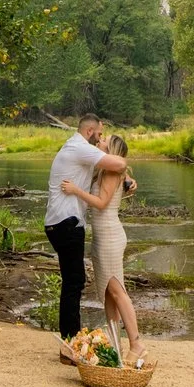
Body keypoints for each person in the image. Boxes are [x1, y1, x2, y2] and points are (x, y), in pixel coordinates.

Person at [43, 115, 129, 360]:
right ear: (90, 131)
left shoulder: (77, 149)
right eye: (99, 134)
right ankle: (70, 345)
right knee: (74, 282)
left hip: (60, 223)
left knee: (73, 281)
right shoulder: (80, 148)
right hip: (67, 223)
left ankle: (70, 343)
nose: (101, 138)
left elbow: (109, 173)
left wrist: (128, 180)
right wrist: (125, 172)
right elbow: (119, 163)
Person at [63, 131, 145, 368]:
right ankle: (116, 346)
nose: (99, 142)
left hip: (110, 236)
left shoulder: (110, 173)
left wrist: (75, 190)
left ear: (112, 151)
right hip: (102, 236)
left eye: (104, 142)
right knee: (108, 295)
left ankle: (137, 344)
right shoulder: (106, 170)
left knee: (118, 291)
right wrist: (128, 180)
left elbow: (101, 203)